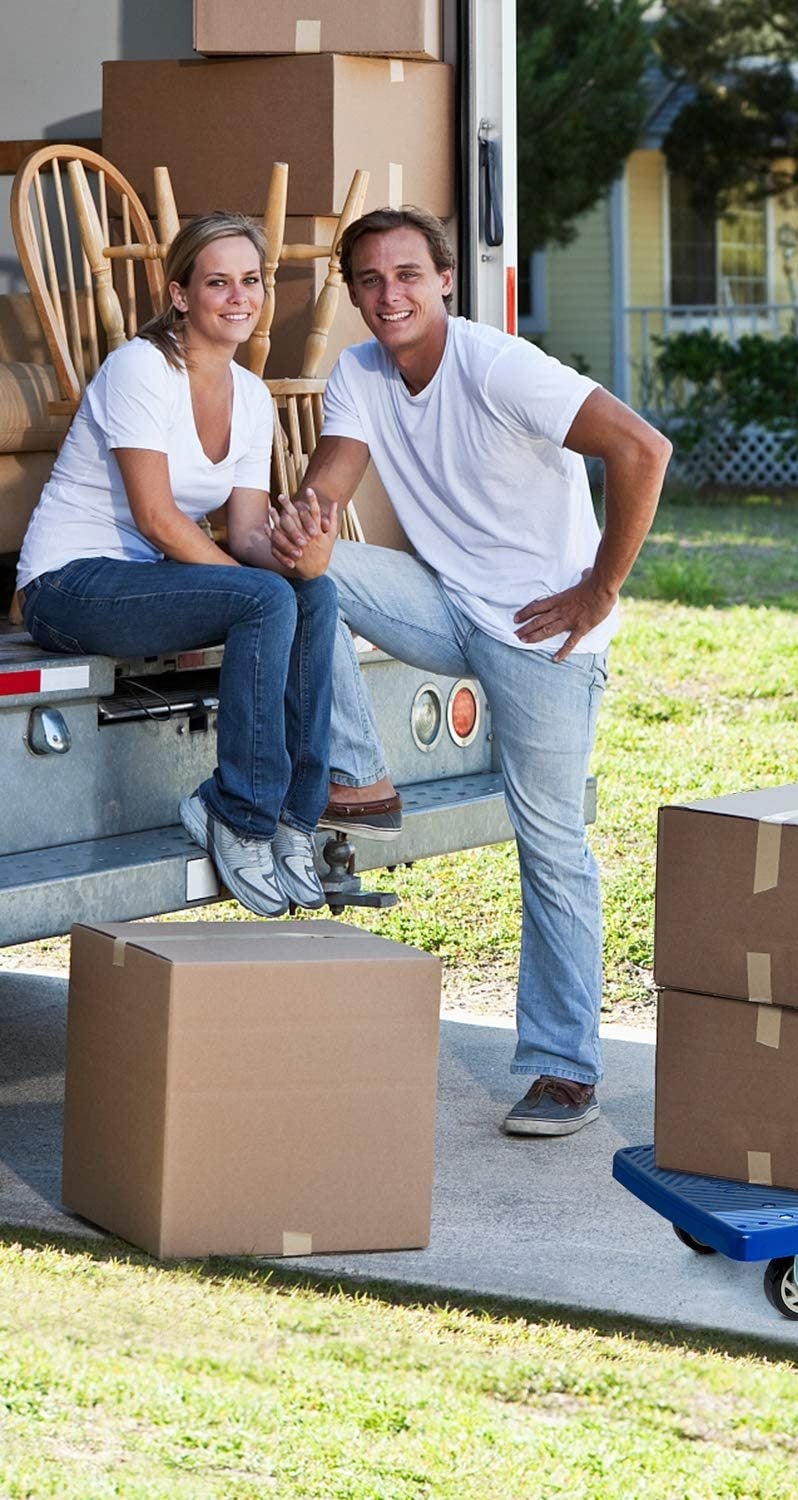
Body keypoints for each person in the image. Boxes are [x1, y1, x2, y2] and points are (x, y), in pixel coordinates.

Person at [269, 206, 669, 1137]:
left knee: (551, 843)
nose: (388, 294)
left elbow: (642, 449)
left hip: (541, 633)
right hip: (447, 604)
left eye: (407, 274)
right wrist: (298, 528)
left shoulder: (498, 366)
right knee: (294, 577)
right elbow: (326, 493)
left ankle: (564, 1071)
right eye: (368, 279)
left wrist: (597, 590)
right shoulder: (361, 372)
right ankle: (359, 777)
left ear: (446, 280)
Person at [16, 213, 339, 918]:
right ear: (181, 293)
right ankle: (238, 814)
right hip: (68, 585)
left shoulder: (251, 397)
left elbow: (248, 532)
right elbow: (159, 520)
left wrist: (293, 553)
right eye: (217, 282)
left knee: (314, 593)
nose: (238, 297)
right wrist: (255, 585)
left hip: (146, 585)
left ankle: (293, 816)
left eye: (251, 281)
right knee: (266, 599)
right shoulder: (142, 366)